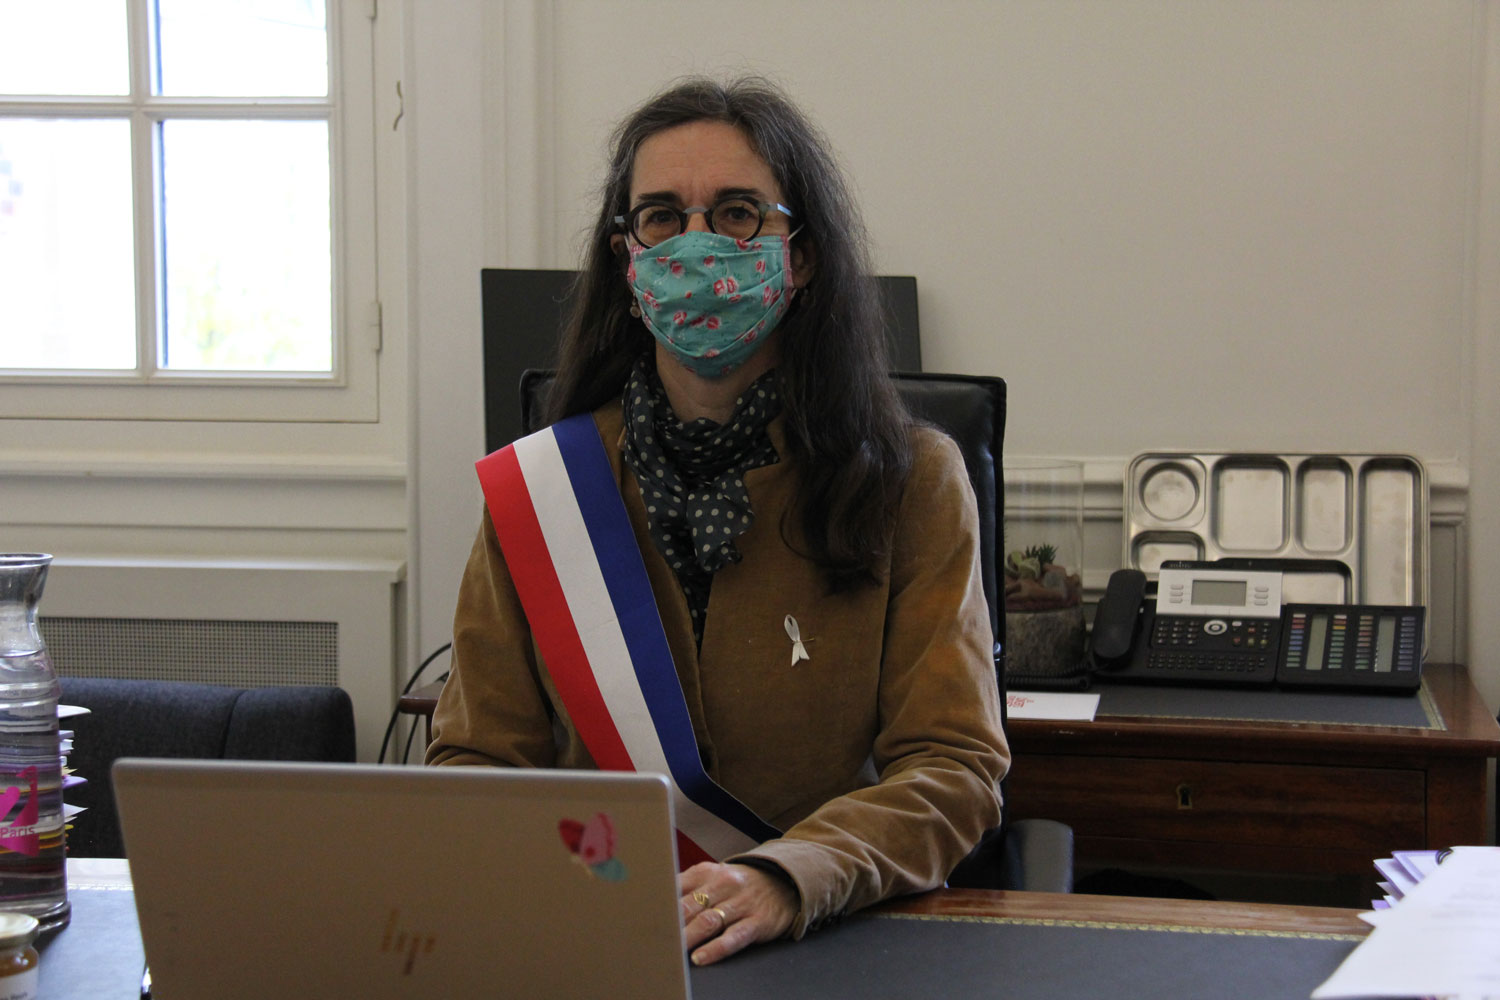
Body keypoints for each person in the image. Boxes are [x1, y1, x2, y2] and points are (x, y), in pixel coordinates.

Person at [427, 75, 1009, 966]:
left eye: (737, 213)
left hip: (832, 934)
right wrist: (607, 887)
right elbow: (476, 769)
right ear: (627, 258)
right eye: (661, 216)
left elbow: (953, 768)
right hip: (605, 936)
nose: (697, 243)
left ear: (800, 254)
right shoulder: (540, 491)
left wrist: (789, 876)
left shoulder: (911, 481)